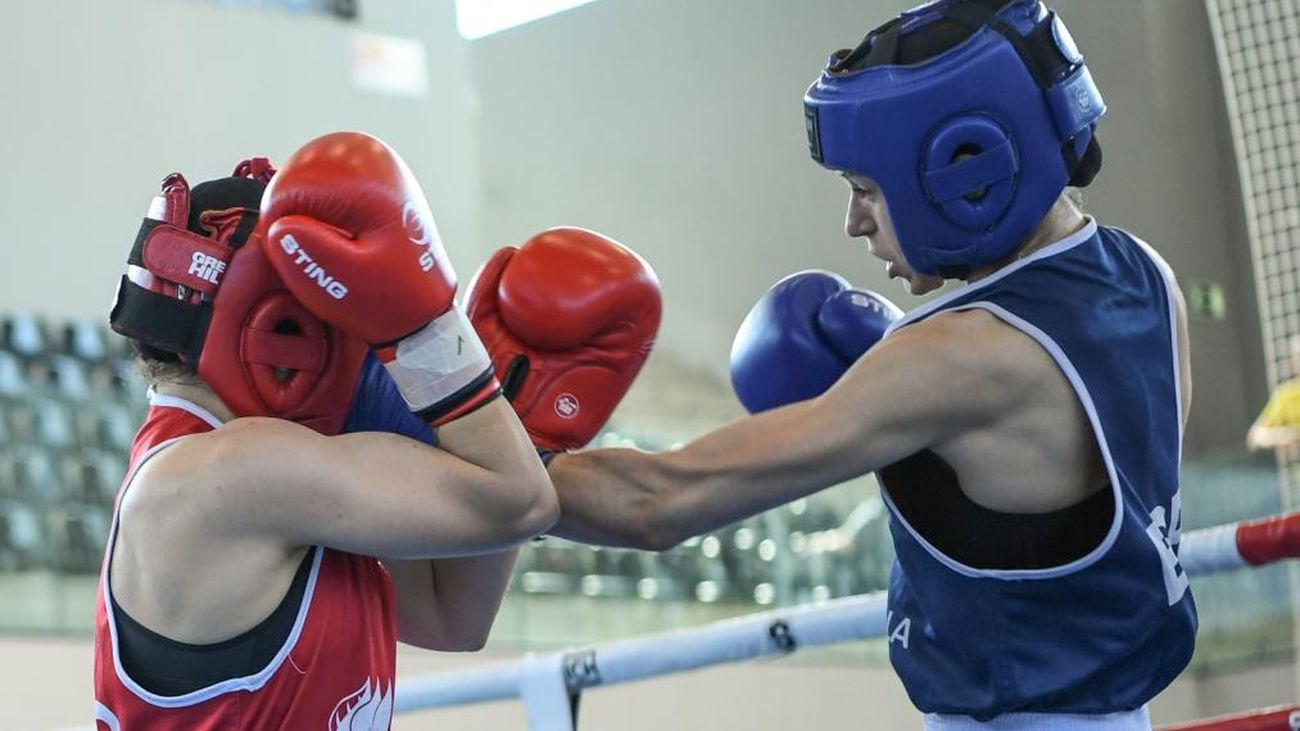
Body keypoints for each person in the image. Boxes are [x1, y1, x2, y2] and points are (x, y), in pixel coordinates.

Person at [472, 1, 1196, 728]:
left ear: (962, 164)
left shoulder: (961, 356)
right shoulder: (1148, 277)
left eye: (867, 189)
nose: (854, 221)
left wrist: (479, 442)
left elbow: (659, 501)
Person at [92, 132, 657, 730]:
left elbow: (452, 618)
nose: (362, 347)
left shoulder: (256, 472)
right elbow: (522, 501)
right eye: (340, 308)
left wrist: (516, 420)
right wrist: (426, 330)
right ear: (280, 326)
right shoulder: (237, 471)